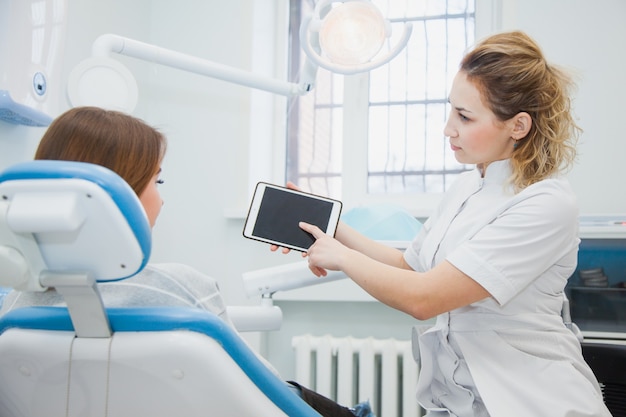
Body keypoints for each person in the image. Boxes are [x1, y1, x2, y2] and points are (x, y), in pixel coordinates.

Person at [278, 31, 611, 416]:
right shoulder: (467, 185)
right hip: (462, 401)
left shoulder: (546, 203)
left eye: (465, 117)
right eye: (451, 109)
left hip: (531, 402)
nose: (448, 128)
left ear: (518, 126)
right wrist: (332, 227)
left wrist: (342, 258)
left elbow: (424, 297)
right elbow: (410, 268)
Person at [0, 106, 372, 417]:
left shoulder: (15, 306)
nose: (161, 200)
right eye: (157, 183)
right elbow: (264, 389)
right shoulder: (178, 285)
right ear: (120, 193)